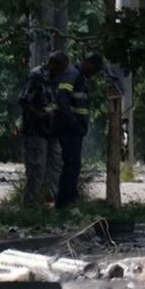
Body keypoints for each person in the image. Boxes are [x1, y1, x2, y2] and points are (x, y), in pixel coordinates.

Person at [18, 52, 69, 206]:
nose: (62, 71)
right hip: (35, 132)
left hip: (52, 132)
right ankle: (30, 205)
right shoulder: (37, 76)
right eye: (60, 68)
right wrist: (39, 114)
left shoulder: (59, 78)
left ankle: (56, 204)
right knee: (36, 170)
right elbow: (24, 100)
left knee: (56, 168)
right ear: (53, 64)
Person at [54, 52, 104, 209]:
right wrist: (73, 123)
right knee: (71, 164)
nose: (93, 75)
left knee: (74, 165)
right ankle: (64, 203)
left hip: (75, 129)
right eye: (94, 70)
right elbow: (62, 99)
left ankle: (71, 200)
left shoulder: (80, 78)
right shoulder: (72, 74)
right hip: (69, 129)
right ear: (88, 64)